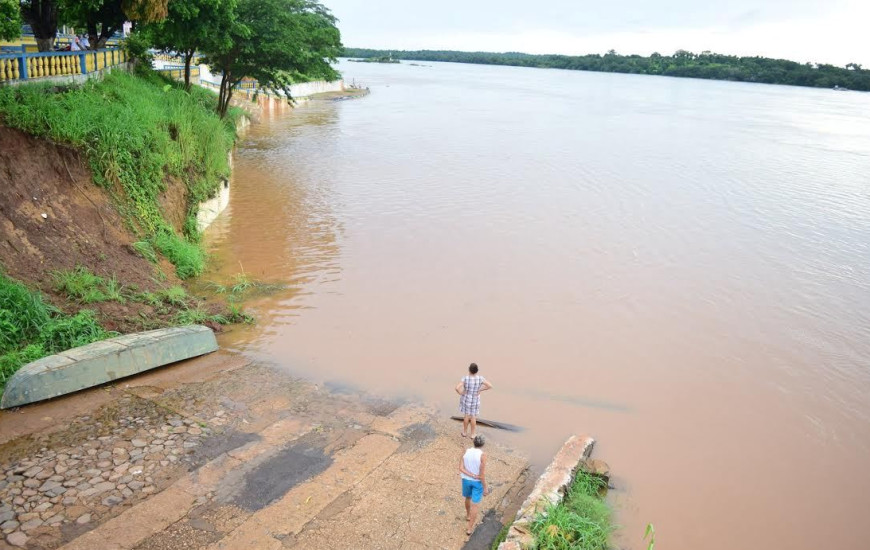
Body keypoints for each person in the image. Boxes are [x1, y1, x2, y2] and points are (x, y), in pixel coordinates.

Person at [459, 435, 491, 536]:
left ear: (474, 442)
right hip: (477, 482)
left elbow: (461, 468)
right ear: (483, 444)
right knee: (475, 505)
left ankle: (468, 515)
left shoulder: (466, 451)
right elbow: (481, 475)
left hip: (466, 480)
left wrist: (470, 475)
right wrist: (485, 488)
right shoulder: (483, 455)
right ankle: (469, 528)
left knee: (467, 498)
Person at [455, 362, 492, 438]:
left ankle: (464, 433)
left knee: (466, 416)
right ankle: (472, 434)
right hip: (475, 400)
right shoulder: (480, 378)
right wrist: (480, 390)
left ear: (469, 370)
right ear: (477, 370)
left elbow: (457, 388)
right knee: (473, 417)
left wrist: (461, 393)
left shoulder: (465, 378)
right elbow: (490, 386)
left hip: (466, 399)